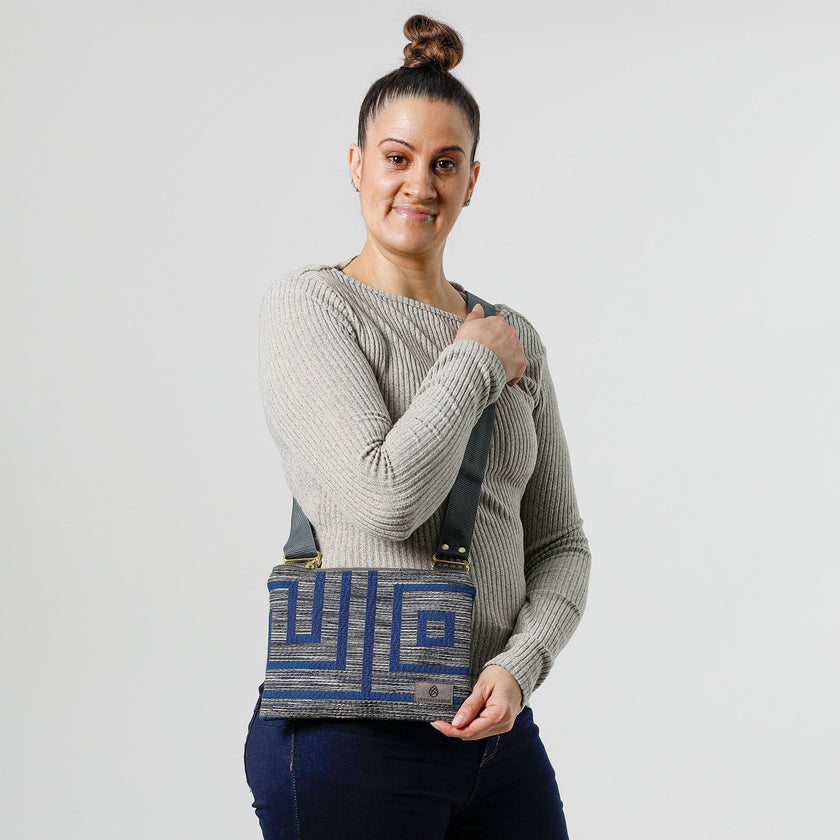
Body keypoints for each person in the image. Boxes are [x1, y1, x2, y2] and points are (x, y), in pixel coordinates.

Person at [244, 13, 591, 839]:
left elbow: (561, 545)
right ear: (356, 164)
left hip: (496, 738)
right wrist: (471, 363)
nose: (420, 184)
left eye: (445, 163)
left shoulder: (514, 336)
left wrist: (520, 666)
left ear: (472, 179)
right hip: (347, 734)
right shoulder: (314, 307)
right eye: (397, 158)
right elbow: (387, 499)